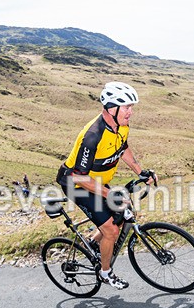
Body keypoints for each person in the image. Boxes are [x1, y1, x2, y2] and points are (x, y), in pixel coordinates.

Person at [56, 81, 157, 290]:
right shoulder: (92, 135)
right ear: (112, 108)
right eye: (127, 107)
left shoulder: (121, 126)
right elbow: (79, 177)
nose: (131, 112)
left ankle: (94, 243)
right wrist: (109, 195)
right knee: (111, 230)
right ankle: (105, 273)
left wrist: (141, 172)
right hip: (76, 184)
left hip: (97, 182)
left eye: (132, 108)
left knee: (121, 213)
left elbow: (123, 148)